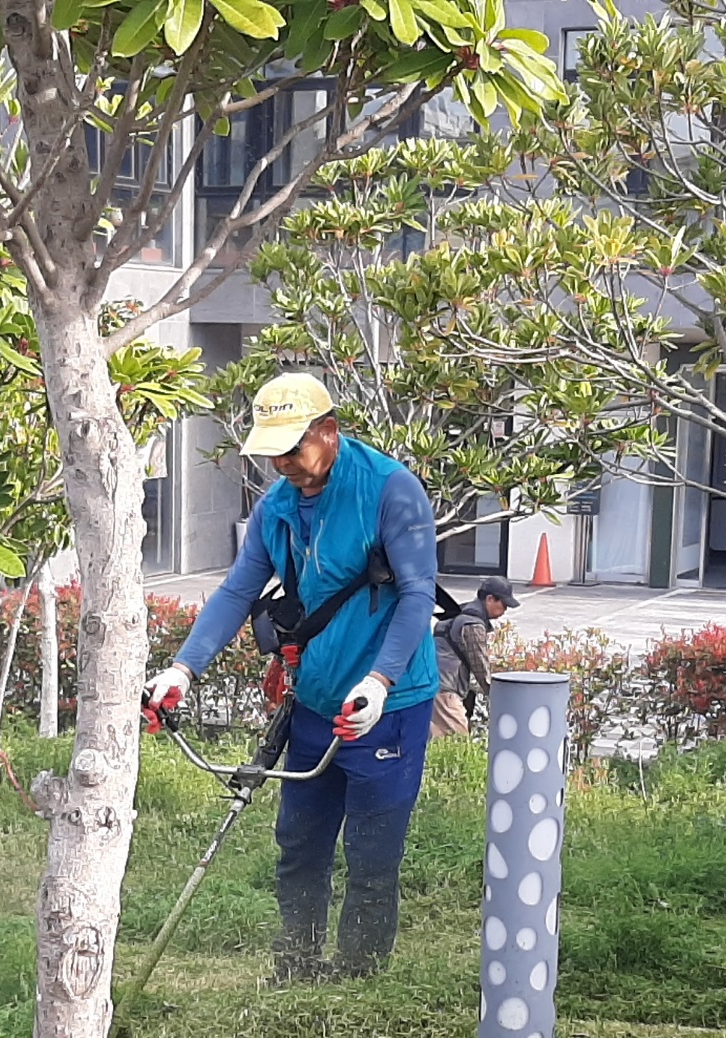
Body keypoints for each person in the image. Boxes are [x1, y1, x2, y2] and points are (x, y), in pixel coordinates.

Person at [144, 374, 440, 981]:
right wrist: (182, 668)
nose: (284, 464)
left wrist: (380, 682)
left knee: (371, 853)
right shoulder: (275, 508)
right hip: (311, 705)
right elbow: (235, 592)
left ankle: (359, 979)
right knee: (299, 845)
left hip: (389, 705)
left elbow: (416, 595)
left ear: (328, 432)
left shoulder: (390, 491)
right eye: (273, 452)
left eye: (294, 449)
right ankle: (297, 968)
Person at [432, 573, 519, 737]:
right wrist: (496, 696)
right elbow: (480, 665)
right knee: (459, 740)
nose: (505, 610)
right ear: (490, 599)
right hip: (446, 690)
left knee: (437, 737)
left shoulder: (461, 613)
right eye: (504, 604)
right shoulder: (473, 625)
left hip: (433, 684)